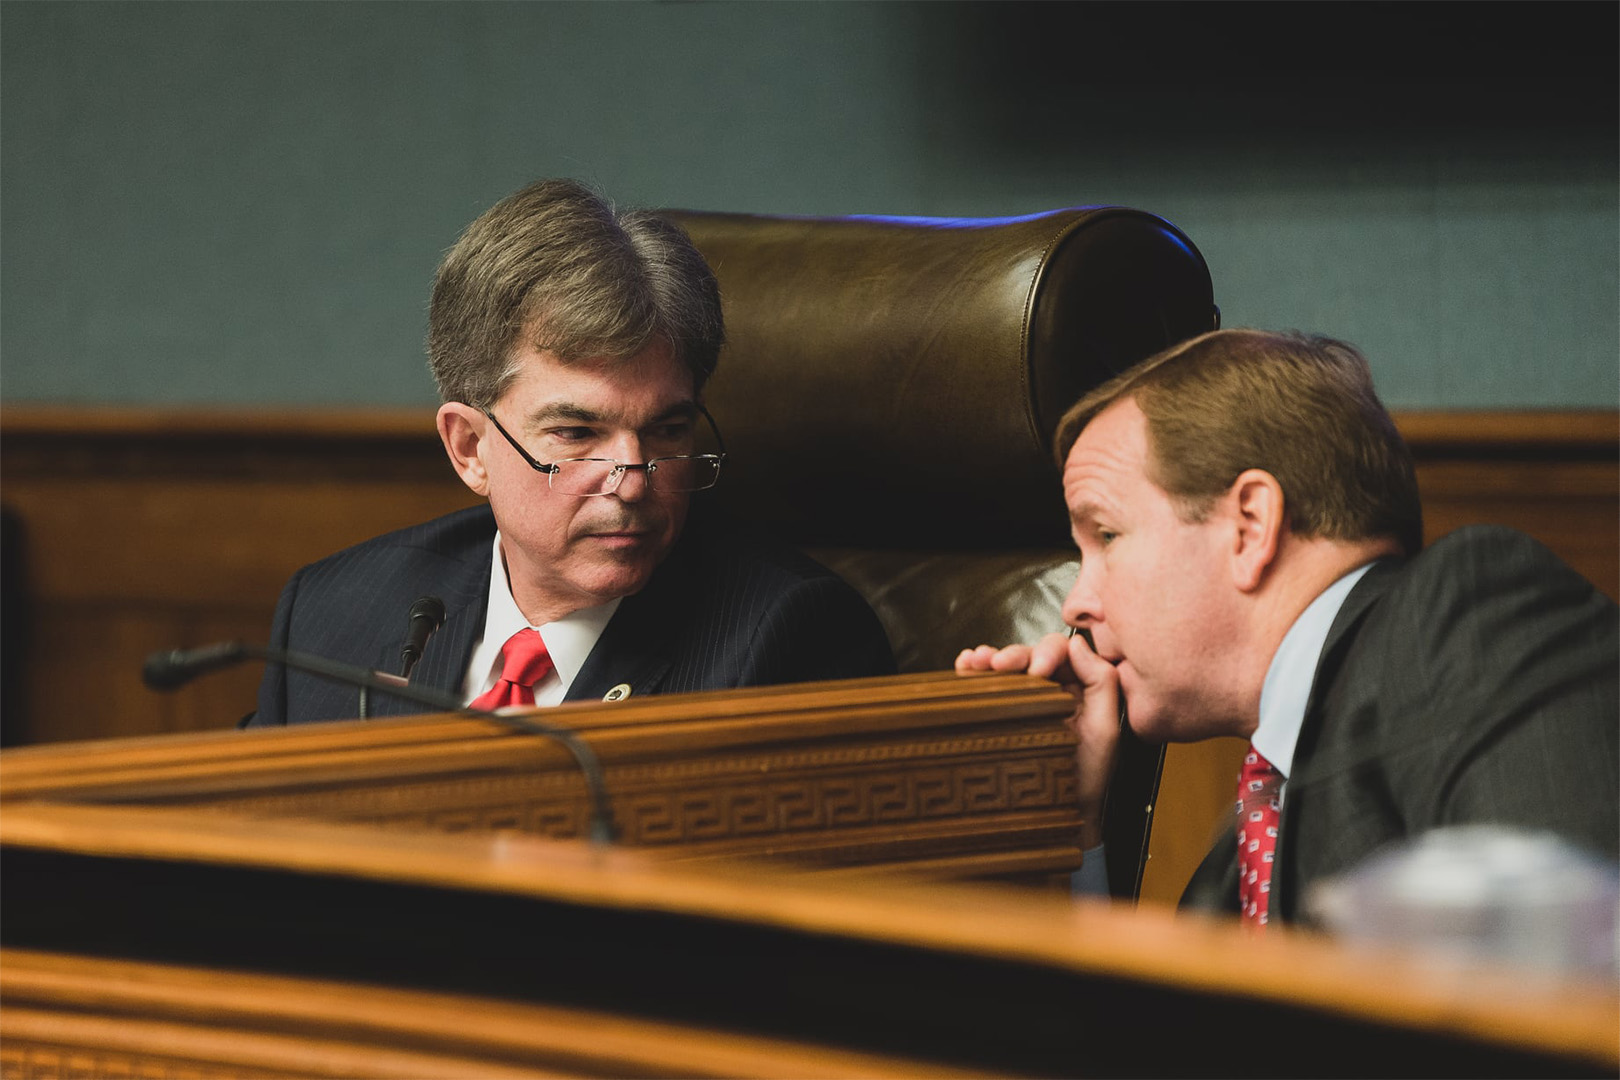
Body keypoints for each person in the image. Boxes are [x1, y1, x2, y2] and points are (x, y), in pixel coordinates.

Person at [957, 328, 1618, 926]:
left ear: (1250, 526)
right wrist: (1069, 824)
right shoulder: (1228, 874)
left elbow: (1571, 973)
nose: (1075, 603)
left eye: (1106, 534)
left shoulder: (1462, 614)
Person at [249, 179, 893, 726]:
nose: (633, 484)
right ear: (470, 448)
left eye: (667, 431)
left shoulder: (785, 638)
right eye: (577, 435)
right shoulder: (336, 609)